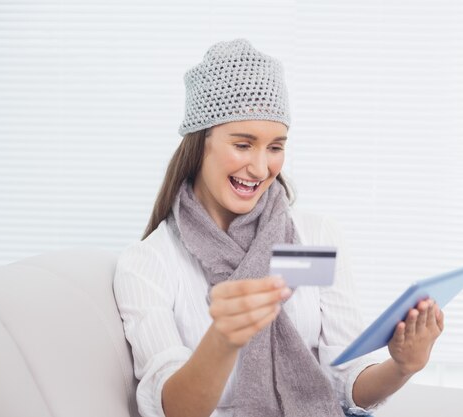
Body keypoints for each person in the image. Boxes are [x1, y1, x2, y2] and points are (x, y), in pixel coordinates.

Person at [113, 38, 444, 417]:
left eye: (275, 147)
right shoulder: (148, 263)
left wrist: (402, 366)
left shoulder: (315, 238)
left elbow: (346, 379)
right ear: (198, 143)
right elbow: (173, 410)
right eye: (243, 144)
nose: (260, 167)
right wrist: (223, 339)